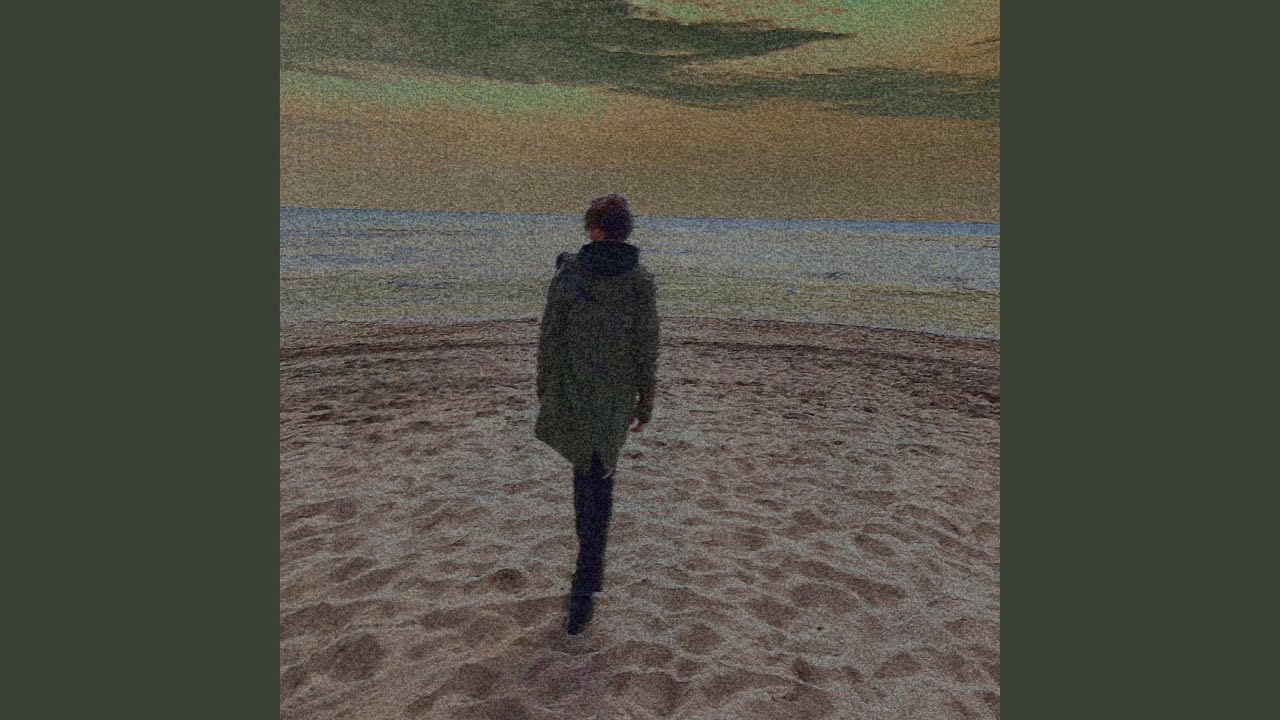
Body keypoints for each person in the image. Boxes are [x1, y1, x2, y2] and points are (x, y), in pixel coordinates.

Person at [534, 193, 660, 636]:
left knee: (584, 475)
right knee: (600, 474)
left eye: (590, 226)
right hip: (615, 393)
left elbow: (550, 335)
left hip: (575, 386)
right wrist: (646, 398)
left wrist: (545, 386)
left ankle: (584, 584)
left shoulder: (570, 273)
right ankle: (587, 579)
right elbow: (647, 345)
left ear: (595, 229)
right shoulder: (640, 280)